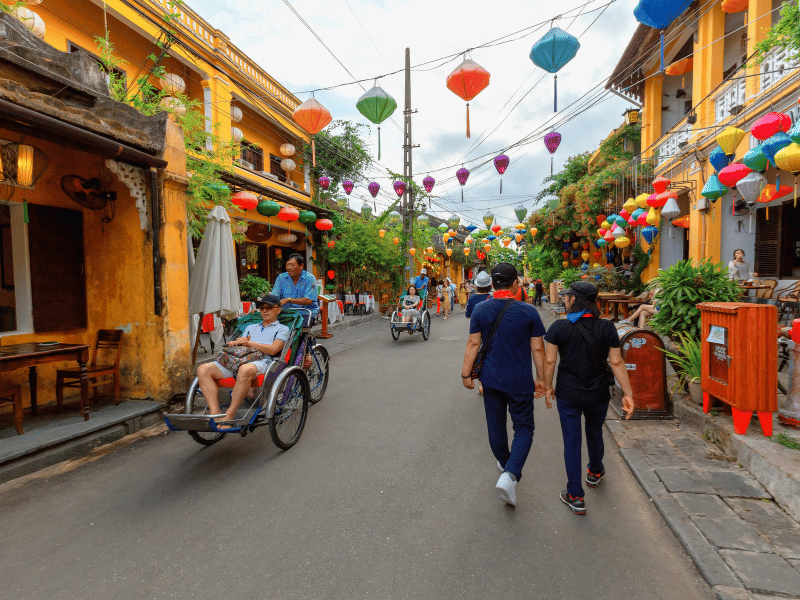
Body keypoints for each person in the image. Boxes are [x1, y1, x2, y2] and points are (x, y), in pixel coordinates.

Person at [542, 282, 634, 515]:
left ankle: (575, 495)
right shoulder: (607, 328)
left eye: (567, 297)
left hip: (568, 394)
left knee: (571, 441)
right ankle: (595, 471)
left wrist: (548, 386)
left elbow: (550, 361)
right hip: (598, 393)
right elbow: (616, 362)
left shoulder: (559, 328)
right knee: (594, 432)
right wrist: (628, 393)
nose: (564, 299)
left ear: (575, 300)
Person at [462, 263, 546, 508]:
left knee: (495, 424)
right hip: (520, 381)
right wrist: (542, 379)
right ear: (516, 282)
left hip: (490, 379)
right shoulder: (528, 312)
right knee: (524, 428)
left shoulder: (480, 309)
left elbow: (472, 344)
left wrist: (465, 374)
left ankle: (506, 465)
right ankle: (510, 474)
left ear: (492, 284)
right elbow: (538, 348)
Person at [196, 294, 290, 427]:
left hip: (263, 360)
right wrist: (237, 342)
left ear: (278, 310)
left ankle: (230, 415)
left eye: (269, 307)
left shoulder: (282, 329)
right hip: (240, 359)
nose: (264, 310)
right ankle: (215, 412)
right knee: (203, 369)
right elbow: (241, 346)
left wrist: (250, 343)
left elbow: (274, 349)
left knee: (245, 369)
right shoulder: (251, 327)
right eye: (262, 307)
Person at [465, 270, 493, 396]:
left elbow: (468, 315)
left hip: (476, 331)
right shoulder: (493, 298)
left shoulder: (472, 298)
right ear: (490, 285)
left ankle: (481, 385)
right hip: (491, 331)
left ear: (477, 286)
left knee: (478, 355)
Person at [272, 253, 319, 325]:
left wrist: (288, 300)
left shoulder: (310, 278)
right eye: (287, 265)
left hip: (305, 313)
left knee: (294, 326)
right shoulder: (281, 278)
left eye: (292, 265)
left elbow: (308, 300)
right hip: (286, 313)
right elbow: (274, 297)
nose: (289, 268)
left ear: (301, 266)